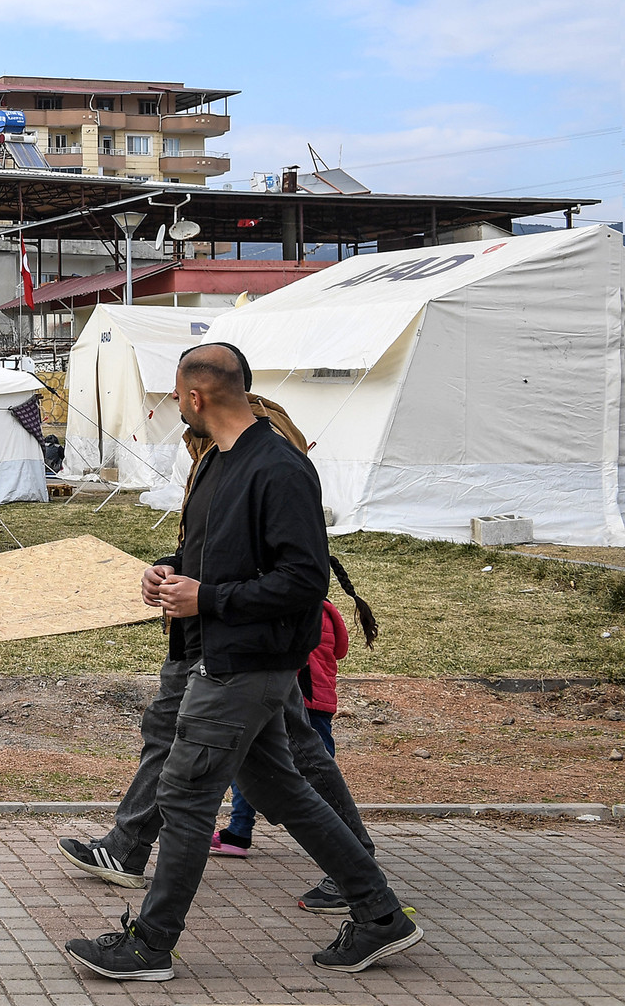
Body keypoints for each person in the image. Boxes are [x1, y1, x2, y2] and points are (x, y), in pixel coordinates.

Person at [62, 344, 420, 982]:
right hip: (214, 654)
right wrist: (170, 578)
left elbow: (304, 582)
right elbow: (216, 558)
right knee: (278, 786)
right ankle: (379, 913)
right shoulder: (219, 465)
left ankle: (149, 944)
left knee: (186, 792)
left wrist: (209, 598)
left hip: (246, 665)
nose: (174, 403)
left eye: (177, 394)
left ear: (197, 397)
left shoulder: (278, 470)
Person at [215, 594, 353, 857]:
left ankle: (240, 829)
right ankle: (341, 834)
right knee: (320, 769)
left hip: (295, 699)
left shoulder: (292, 607)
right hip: (322, 701)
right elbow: (341, 650)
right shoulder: (329, 611)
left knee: (253, 763)